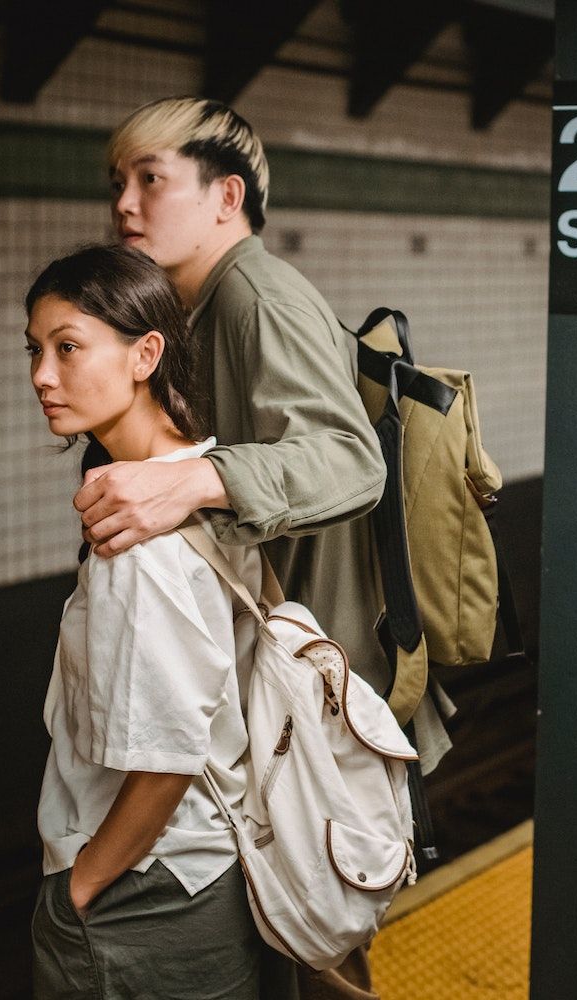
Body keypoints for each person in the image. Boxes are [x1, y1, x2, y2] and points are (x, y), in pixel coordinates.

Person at [80, 97, 456, 1000]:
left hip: (319, 700)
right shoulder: (203, 303)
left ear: (226, 195)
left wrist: (191, 482)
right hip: (288, 695)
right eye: (118, 184)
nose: (125, 204)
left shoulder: (258, 294)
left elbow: (346, 463)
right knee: (289, 939)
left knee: (318, 941)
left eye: (150, 180)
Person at [26, 244, 268, 999]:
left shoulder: (141, 539)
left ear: (145, 355)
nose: (41, 374)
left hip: (148, 894)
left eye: (68, 348)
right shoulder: (205, 477)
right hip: (208, 871)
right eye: (35, 350)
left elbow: (165, 760)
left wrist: (80, 892)